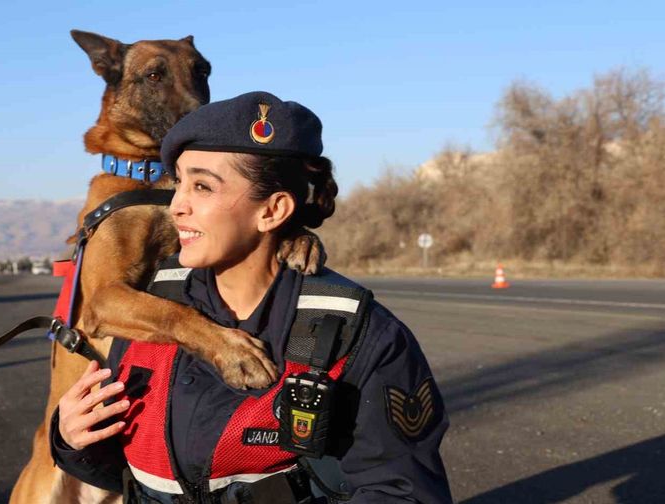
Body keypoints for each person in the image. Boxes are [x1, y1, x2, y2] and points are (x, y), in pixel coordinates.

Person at [50, 91, 453, 503]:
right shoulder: (152, 312)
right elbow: (129, 470)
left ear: (273, 211)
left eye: (202, 187)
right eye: (178, 184)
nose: (175, 207)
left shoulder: (357, 335)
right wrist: (73, 439)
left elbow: (402, 491)